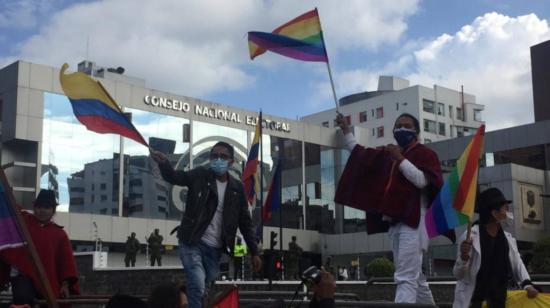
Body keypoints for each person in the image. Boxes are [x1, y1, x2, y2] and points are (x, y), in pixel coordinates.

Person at [334, 113, 443, 304]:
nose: (401, 129)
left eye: (406, 125)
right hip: (395, 223)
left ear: (416, 131)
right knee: (414, 277)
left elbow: (422, 181)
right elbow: (360, 154)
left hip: (414, 222)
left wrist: (399, 159)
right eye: (398, 125)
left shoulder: (425, 154)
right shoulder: (387, 155)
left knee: (405, 278)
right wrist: (346, 130)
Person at [151, 141, 262, 308]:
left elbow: (245, 222)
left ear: (231, 162)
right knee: (197, 280)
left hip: (215, 248)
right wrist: (164, 164)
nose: (218, 159)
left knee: (204, 284)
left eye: (223, 156)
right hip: (192, 241)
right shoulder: (200, 175)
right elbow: (175, 177)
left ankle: (185, 298)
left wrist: (254, 252)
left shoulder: (237, 188)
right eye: (214, 156)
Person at [453, 188, 539, 308]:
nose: (507, 211)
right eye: (504, 208)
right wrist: (463, 257)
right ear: (494, 213)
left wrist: (527, 284)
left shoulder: (507, 238)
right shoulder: (469, 238)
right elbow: (458, 275)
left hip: (498, 301)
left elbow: (517, 263)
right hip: (475, 302)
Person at [0, 189, 80, 307]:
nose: (42, 211)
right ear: (34, 208)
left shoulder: (59, 234)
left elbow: (66, 263)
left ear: (53, 210)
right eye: (39, 207)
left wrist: (65, 285)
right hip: (23, 275)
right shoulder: (23, 220)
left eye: (47, 207)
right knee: (22, 299)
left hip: (48, 281)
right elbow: (8, 205)